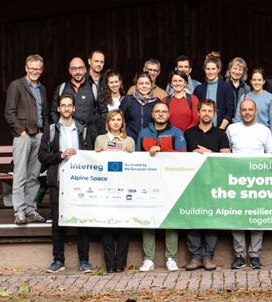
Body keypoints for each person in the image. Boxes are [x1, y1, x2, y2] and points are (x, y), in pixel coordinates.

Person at [38, 93, 93, 273]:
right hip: (58, 180)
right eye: (63, 105)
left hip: (80, 182)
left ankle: (84, 261)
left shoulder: (82, 129)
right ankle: (58, 260)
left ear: (74, 108)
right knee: (57, 222)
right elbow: (42, 155)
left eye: (70, 105)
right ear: (59, 108)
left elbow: (91, 154)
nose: (67, 108)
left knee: (82, 221)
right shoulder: (51, 130)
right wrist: (60, 155)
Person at [136, 102, 186, 272]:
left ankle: (171, 258)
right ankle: (148, 259)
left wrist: (161, 148)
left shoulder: (176, 133)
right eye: (157, 111)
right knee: (148, 219)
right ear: (152, 114)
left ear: (169, 114)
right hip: (148, 182)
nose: (161, 114)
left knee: (170, 219)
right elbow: (137, 157)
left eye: (164, 111)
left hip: (170, 182)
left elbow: (183, 156)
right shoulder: (143, 132)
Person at [226, 99, 272, 270]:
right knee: (237, 216)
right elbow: (225, 153)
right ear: (240, 111)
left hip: (257, 181)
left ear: (255, 111)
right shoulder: (231, 129)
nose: (247, 112)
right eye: (244, 110)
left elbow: (271, 155)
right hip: (236, 180)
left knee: (257, 216)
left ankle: (255, 255)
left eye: (250, 110)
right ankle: (239, 255)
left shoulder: (264, 130)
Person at [184, 99, 231, 271]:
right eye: (203, 110)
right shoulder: (188, 134)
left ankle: (208, 256)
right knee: (193, 218)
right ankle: (195, 257)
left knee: (212, 219)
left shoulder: (220, 134)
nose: (206, 114)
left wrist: (209, 153)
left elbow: (227, 157)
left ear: (214, 113)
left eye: (209, 111)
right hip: (193, 183)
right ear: (198, 112)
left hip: (214, 183)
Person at [4, 54, 48, 225]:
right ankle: (19, 211)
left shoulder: (42, 89)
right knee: (20, 175)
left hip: (38, 135)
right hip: (23, 136)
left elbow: (43, 113)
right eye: (32, 68)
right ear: (26, 68)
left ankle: (31, 209)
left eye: (38, 69)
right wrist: (20, 131)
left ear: (42, 69)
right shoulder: (16, 86)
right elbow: (9, 112)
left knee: (34, 176)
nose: (35, 71)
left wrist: (43, 133)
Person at [95, 109, 134, 272]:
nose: (116, 122)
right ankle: (110, 264)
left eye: (119, 119)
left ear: (122, 122)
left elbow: (134, 165)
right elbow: (95, 164)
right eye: (113, 120)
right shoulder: (100, 139)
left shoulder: (129, 140)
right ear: (107, 123)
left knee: (124, 226)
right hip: (106, 188)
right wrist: (97, 154)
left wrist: (131, 155)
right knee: (107, 227)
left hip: (124, 187)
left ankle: (120, 263)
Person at [49, 57, 108, 143]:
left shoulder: (93, 88)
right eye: (74, 69)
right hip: (66, 134)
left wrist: (96, 129)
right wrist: (60, 127)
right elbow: (53, 111)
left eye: (80, 68)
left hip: (89, 137)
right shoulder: (62, 88)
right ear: (70, 71)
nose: (77, 72)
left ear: (85, 70)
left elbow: (104, 112)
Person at [235, 67, 272, 141]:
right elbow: (237, 120)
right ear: (251, 81)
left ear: (264, 81)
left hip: (263, 137)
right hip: (245, 136)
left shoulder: (271, 98)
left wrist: (271, 142)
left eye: (259, 80)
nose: (257, 82)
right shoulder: (244, 97)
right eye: (254, 80)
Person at [193, 52, 235, 130]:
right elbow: (196, 111)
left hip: (221, 129)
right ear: (204, 69)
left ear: (218, 69)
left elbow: (229, 111)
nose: (210, 72)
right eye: (208, 69)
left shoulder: (226, 87)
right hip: (202, 130)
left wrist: (220, 129)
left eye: (213, 69)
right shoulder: (199, 89)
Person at [119, 72, 159, 141]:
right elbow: (119, 119)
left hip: (150, 141)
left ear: (151, 85)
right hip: (130, 140)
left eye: (147, 83)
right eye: (141, 83)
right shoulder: (128, 100)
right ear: (136, 85)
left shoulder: (157, 102)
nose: (144, 86)